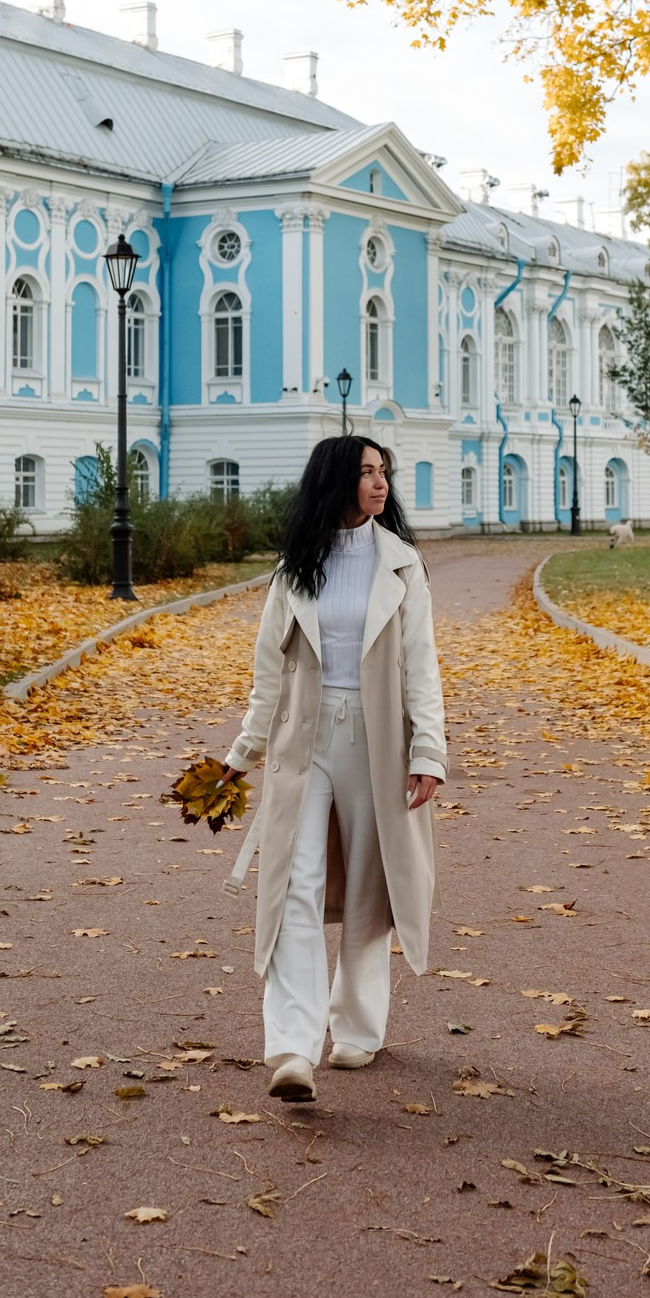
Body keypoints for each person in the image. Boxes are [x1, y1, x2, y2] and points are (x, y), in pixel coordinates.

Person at [220, 436, 448, 1104]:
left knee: (372, 886)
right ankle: (293, 1047)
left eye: (384, 473)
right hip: (304, 741)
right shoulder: (294, 570)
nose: (381, 484)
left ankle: (357, 1024)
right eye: (367, 473)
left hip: (378, 742)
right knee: (295, 881)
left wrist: (428, 752)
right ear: (336, 482)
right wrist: (241, 755)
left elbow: (422, 668)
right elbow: (268, 677)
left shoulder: (403, 567)